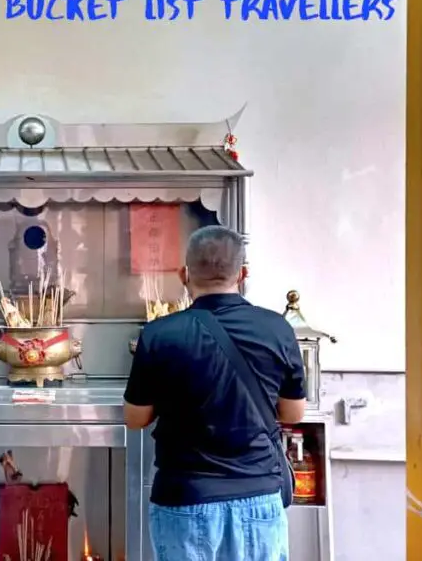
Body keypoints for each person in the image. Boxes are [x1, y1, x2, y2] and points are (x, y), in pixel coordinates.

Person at [123, 225, 306, 561]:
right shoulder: (277, 328)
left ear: (183, 274)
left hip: (184, 498)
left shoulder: (159, 334)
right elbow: (293, 414)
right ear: (244, 273)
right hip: (258, 495)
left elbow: (135, 418)